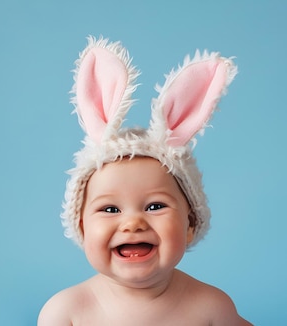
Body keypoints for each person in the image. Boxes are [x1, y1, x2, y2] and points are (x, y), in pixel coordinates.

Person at [37, 37, 252, 325]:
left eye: (155, 206)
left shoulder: (211, 309)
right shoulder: (67, 312)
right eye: (110, 209)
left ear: (190, 225)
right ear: (81, 227)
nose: (133, 223)